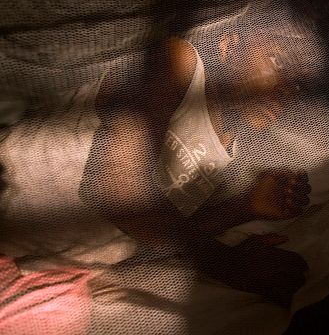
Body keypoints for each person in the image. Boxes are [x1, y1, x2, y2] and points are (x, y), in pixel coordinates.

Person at [79, 35, 311, 305]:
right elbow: (116, 193)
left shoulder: (228, 151)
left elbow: (159, 235)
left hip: (73, 268)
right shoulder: (179, 62)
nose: (287, 91)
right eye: (279, 62)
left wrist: (242, 208)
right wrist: (228, 263)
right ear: (228, 45)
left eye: (299, 85)